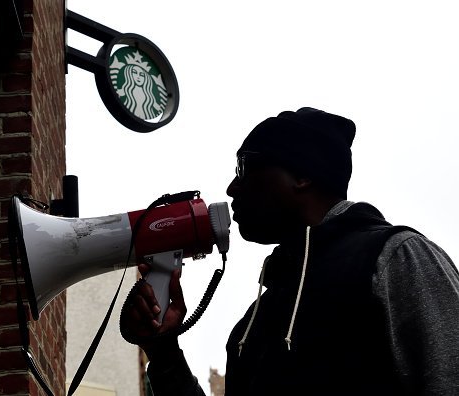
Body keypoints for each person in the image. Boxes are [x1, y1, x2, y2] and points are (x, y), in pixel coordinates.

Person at [120, 107, 459, 395]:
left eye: (245, 168)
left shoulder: (393, 258)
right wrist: (164, 353)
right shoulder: (252, 324)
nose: (232, 187)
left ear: (302, 175)